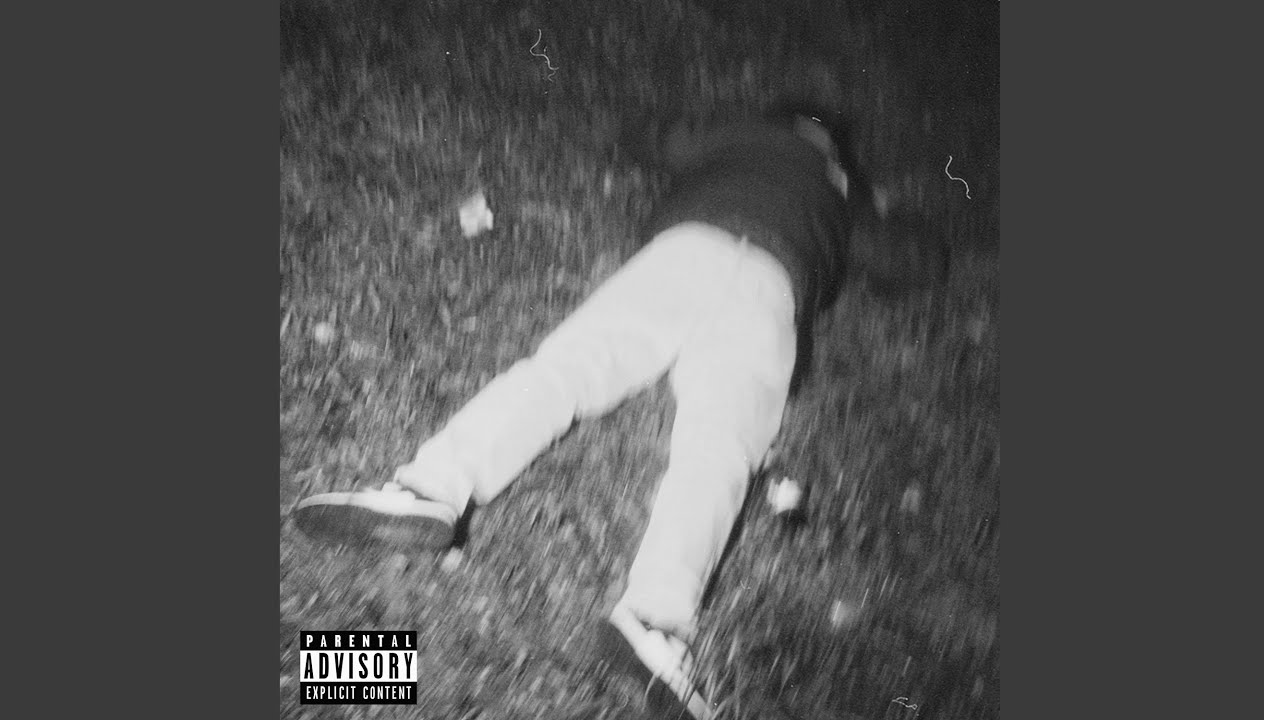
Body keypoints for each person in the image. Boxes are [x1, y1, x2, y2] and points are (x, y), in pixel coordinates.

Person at [293, 104, 882, 720]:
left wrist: (652, 134)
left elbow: (657, 137)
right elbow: (907, 261)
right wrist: (863, 200)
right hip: (771, 290)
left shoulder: (745, 137)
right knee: (721, 450)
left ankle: (429, 487)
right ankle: (655, 619)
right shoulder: (840, 197)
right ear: (833, 151)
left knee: (565, 373)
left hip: (689, 251)